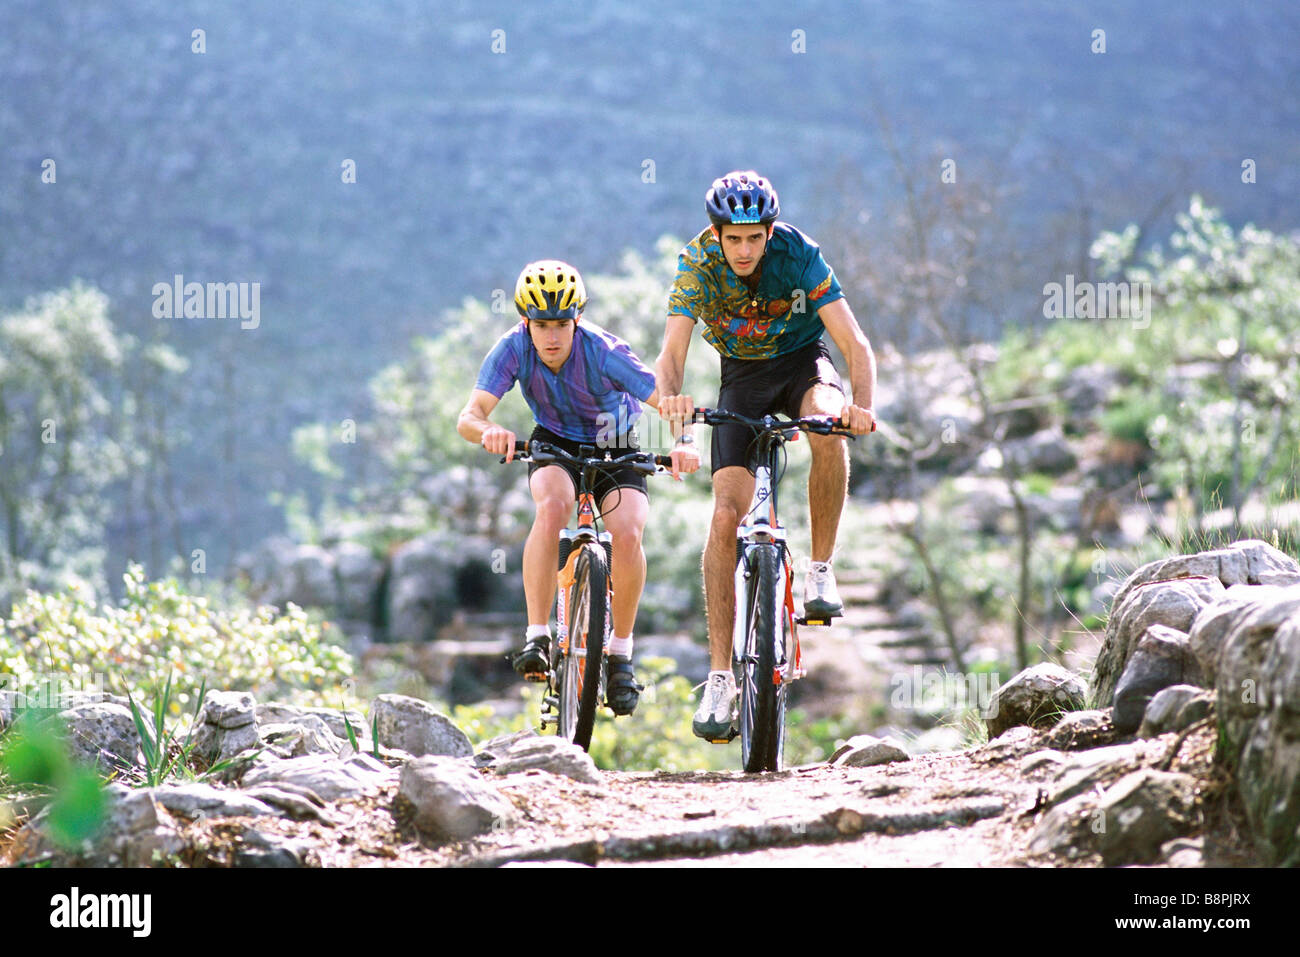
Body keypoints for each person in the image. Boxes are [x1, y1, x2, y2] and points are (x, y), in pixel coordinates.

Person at [654, 170, 877, 742]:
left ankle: (820, 572)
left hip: (805, 364)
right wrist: (674, 402)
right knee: (725, 518)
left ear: (771, 231)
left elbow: (854, 345)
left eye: (756, 238)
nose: (746, 250)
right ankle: (722, 677)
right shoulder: (697, 263)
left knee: (827, 426)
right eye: (735, 239)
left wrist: (861, 406)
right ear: (717, 233)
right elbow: (672, 352)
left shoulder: (800, 254)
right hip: (742, 382)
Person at [458, 260, 700, 716]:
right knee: (552, 506)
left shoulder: (606, 351)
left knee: (627, 531)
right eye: (542, 325)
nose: (552, 337)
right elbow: (468, 417)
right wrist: (489, 431)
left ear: (578, 321)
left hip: (617, 439)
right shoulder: (512, 348)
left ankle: (621, 653)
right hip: (555, 438)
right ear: (525, 322)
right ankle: (537, 636)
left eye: (562, 325)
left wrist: (684, 441)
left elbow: (667, 402)